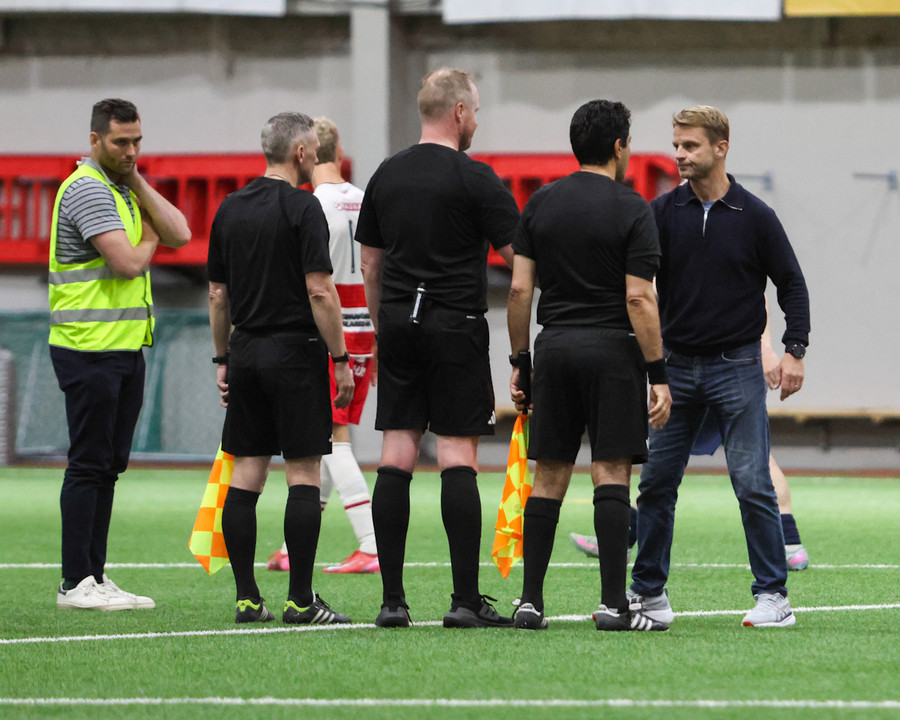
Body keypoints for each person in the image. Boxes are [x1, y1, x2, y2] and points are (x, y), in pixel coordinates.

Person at [629, 105, 810, 629]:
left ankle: (774, 596)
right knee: (656, 483)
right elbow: (637, 288)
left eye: (690, 146)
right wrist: (653, 369)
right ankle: (649, 595)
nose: (680, 155)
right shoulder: (661, 213)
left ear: (721, 147)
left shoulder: (755, 216)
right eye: (677, 145)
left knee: (752, 483)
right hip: (675, 370)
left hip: (738, 369)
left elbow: (791, 284)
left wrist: (794, 349)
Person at [356, 67, 520, 628]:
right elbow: (519, 257)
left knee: (396, 453)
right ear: (458, 112)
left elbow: (370, 265)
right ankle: (464, 600)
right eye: (475, 112)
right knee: (456, 456)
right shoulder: (476, 178)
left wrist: (383, 327)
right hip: (455, 324)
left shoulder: (386, 174)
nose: (476, 122)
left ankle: (392, 602)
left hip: (399, 322)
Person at [507, 99, 672, 632]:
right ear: (619, 146)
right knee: (611, 471)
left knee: (549, 473)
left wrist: (521, 361)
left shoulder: (540, 204)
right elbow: (639, 298)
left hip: (554, 347)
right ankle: (613, 605)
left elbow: (519, 291)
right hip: (613, 351)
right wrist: (658, 372)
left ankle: (530, 602)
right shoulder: (633, 208)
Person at [207, 111, 355, 625]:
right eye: (313, 148)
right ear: (300, 153)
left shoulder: (229, 207)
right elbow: (320, 290)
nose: (316, 156)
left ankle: (248, 599)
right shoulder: (303, 206)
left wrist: (223, 358)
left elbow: (218, 294)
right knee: (303, 474)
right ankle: (300, 601)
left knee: (247, 474)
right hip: (295, 353)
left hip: (246, 351)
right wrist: (341, 358)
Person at [51, 98, 191, 611]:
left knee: (108, 466)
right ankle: (74, 582)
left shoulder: (122, 189)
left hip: (123, 347)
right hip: (88, 348)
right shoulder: (87, 188)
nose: (131, 151)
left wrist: (137, 182)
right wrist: (150, 232)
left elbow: (182, 233)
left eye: (137, 142)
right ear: (95, 141)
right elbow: (130, 263)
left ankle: (94, 574)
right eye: (120, 142)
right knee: (88, 464)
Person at [570, 304, 811, 571]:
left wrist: (764, 347)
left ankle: (789, 543)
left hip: (718, 365)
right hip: (700, 362)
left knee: (749, 460)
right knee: (666, 466)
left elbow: (757, 296)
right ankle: (790, 542)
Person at [267, 116, 379, 575]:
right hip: (366, 326)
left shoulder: (311, 205)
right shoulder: (364, 199)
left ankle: (371, 544)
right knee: (329, 436)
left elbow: (313, 281)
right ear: (340, 151)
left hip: (329, 331)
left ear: (306, 153)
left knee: (334, 438)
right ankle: (294, 547)